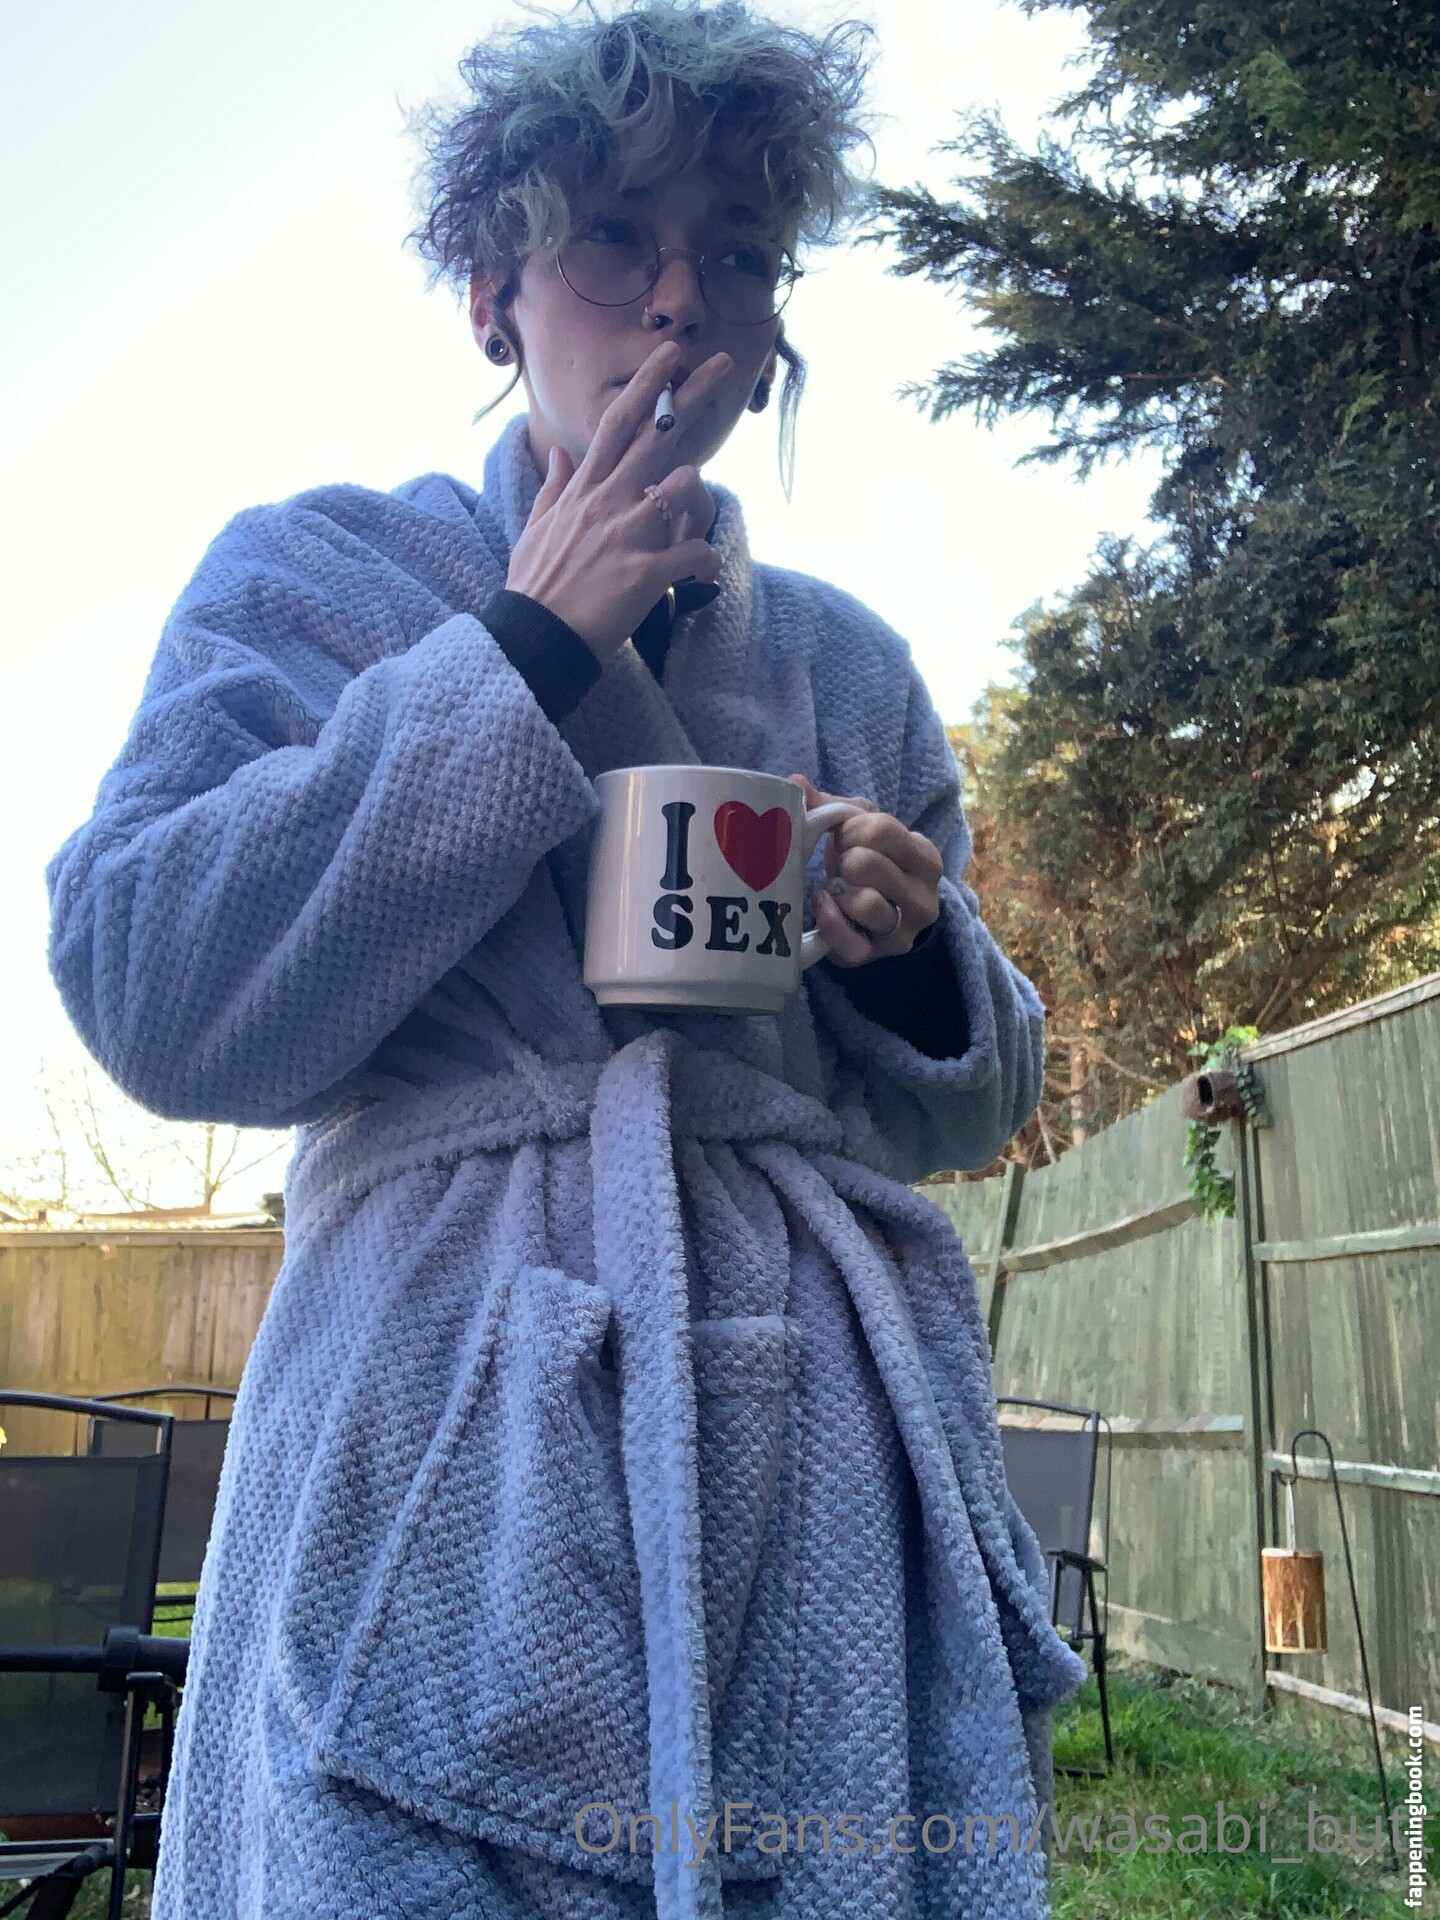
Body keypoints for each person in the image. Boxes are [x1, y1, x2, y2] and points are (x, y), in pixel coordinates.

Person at [46, 3, 1084, 1915]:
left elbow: (977, 1107)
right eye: (617, 236)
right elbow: (149, 984)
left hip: (814, 1462)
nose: (682, 299)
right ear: (490, 292)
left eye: (741, 253)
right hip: (441, 1429)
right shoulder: (314, 581)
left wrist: (907, 959)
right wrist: (520, 651)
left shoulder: (847, 666)